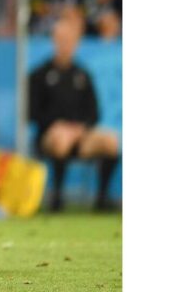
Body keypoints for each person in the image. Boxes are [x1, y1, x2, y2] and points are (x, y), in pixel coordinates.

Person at [29, 16, 120, 211]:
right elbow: (32, 112)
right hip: (50, 134)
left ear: (76, 44)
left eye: (70, 41)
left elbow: (94, 112)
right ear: (54, 41)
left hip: (79, 134)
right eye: (61, 40)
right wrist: (56, 125)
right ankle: (57, 197)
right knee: (60, 140)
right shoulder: (39, 75)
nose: (66, 45)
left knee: (111, 141)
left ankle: (102, 198)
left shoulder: (82, 75)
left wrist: (81, 128)